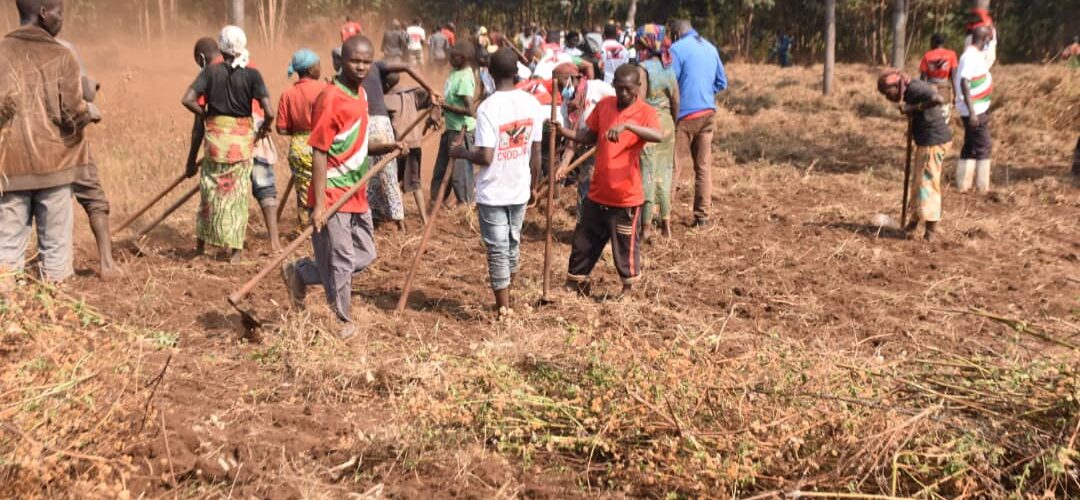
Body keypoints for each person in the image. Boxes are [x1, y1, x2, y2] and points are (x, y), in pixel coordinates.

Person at [281, 35, 404, 340]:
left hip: (356, 191)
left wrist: (388, 145)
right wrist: (320, 204)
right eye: (355, 61)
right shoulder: (330, 97)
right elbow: (320, 150)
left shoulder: (360, 96)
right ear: (341, 61)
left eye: (366, 61)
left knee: (365, 254)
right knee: (340, 260)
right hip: (333, 192)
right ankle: (342, 319)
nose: (361, 67)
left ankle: (301, 272)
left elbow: (358, 144)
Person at [0, 0, 99, 284]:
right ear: (44, 13)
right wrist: (89, 112)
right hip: (55, 169)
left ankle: (10, 318)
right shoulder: (61, 56)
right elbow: (72, 114)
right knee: (55, 255)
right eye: (59, 13)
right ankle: (56, 318)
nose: (61, 20)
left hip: (9, 171)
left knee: (6, 254)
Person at [448, 48, 543, 315]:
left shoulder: (487, 108)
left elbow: (486, 157)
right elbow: (536, 153)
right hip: (520, 188)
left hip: (493, 192)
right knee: (512, 244)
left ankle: (503, 308)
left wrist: (459, 152)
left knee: (498, 249)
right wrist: (534, 186)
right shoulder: (531, 104)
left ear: (489, 73)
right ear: (516, 73)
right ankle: (507, 301)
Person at [554, 65, 662, 297]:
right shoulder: (604, 106)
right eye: (618, 88)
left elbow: (658, 135)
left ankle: (628, 290)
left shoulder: (645, 112)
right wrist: (564, 131)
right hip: (598, 191)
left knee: (624, 245)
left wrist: (628, 126)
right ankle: (574, 283)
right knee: (584, 239)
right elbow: (589, 136)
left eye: (627, 89)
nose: (622, 94)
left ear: (637, 89)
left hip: (625, 195)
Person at [181, 26, 274, 261]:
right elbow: (269, 112)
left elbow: (187, 99)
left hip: (216, 140)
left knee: (209, 191)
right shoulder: (253, 74)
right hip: (242, 142)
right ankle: (236, 251)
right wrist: (263, 129)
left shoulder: (210, 73)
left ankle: (202, 247)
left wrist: (205, 114)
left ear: (221, 46)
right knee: (238, 195)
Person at [58, 37, 120, 279]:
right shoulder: (64, 48)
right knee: (95, 200)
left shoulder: (10, 48)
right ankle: (107, 264)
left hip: (31, 148)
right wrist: (92, 86)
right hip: (69, 144)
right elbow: (87, 93)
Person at [877, 70, 952, 241]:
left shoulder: (915, 88)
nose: (888, 98)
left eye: (888, 93)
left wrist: (913, 108)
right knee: (919, 183)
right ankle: (914, 221)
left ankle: (931, 232)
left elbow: (938, 99)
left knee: (927, 184)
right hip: (926, 141)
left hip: (933, 141)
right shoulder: (910, 89)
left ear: (896, 85)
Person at [670, 19, 727, 227]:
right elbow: (722, 82)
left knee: (674, 166)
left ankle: (663, 215)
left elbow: (670, 82)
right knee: (703, 167)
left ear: (675, 34)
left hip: (685, 116)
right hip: (708, 113)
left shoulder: (676, 49)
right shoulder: (711, 48)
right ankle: (702, 216)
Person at [635, 25, 679, 241]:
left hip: (649, 125)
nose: (636, 46)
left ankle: (645, 228)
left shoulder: (642, 68)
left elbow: (640, 102)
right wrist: (674, 123)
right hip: (668, 124)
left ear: (647, 43)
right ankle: (666, 225)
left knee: (647, 175)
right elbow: (676, 100)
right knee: (665, 173)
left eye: (639, 43)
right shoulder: (668, 67)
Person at [277, 49, 327, 226]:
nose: (321, 68)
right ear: (311, 69)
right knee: (324, 186)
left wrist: (299, 131)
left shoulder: (287, 94)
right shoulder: (325, 88)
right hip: (322, 142)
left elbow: (281, 129)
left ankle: (304, 227)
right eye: (319, 65)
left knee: (303, 190)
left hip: (298, 146)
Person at [431, 42, 478, 207]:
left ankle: (466, 205)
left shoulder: (465, 77)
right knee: (441, 168)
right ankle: (437, 200)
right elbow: (450, 99)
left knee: (460, 173)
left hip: (461, 132)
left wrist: (446, 107)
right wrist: (440, 112)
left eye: (453, 56)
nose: (450, 59)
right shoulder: (454, 72)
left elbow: (470, 110)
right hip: (450, 128)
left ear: (464, 58)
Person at [384, 71, 435, 224]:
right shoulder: (413, 94)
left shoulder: (386, 99)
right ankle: (424, 219)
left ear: (385, 85)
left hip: (399, 146)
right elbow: (435, 100)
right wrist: (434, 118)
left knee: (393, 181)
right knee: (415, 182)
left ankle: (399, 220)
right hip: (414, 145)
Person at [955, 26, 994, 194]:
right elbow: (964, 82)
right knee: (984, 146)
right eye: (988, 40)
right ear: (984, 40)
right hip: (974, 111)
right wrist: (972, 113)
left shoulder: (975, 55)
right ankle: (982, 187)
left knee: (970, 145)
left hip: (977, 108)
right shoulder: (970, 56)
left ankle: (963, 184)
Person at [918, 33, 958, 106]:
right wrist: (956, 95)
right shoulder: (951, 54)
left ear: (933, 42)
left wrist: (921, 95)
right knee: (944, 111)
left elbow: (923, 78)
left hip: (931, 90)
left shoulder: (927, 56)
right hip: (944, 90)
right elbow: (954, 77)